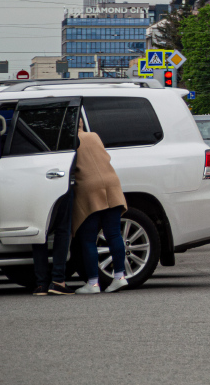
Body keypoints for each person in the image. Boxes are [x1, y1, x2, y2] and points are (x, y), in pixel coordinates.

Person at [72, 122, 129, 294]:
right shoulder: (94, 135)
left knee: (88, 238)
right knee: (113, 233)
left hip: (88, 187)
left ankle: (93, 283)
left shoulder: (70, 140)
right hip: (111, 183)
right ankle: (120, 276)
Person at [30, 188, 74, 296]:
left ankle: (42, 284)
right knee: (62, 230)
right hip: (60, 183)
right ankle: (58, 281)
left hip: (34, 188)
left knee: (39, 230)